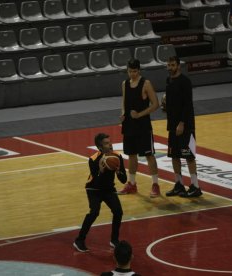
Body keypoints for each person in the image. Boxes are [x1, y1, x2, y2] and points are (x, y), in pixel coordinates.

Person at [73, 133, 127, 252]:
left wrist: (119, 173)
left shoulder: (117, 157)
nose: (110, 145)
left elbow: (124, 180)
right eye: (107, 143)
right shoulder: (93, 159)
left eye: (110, 142)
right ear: (100, 147)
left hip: (108, 189)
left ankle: (114, 240)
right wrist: (101, 171)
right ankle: (79, 240)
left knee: (118, 212)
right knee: (94, 212)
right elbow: (96, 181)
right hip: (93, 189)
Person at [161, 56, 202, 198]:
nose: (170, 67)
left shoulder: (185, 82)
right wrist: (165, 105)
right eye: (168, 65)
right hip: (172, 125)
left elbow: (187, 105)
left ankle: (195, 186)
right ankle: (179, 184)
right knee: (174, 155)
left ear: (178, 66)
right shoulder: (168, 80)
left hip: (186, 126)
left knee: (189, 156)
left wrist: (182, 123)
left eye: (172, 65)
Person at [119, 58, 160, 198]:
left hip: (143, 126)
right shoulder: (124, 84)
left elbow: (155, 104)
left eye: (135, 71)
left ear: (139, 70)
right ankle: (131, 184)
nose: (132, 74)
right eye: (130, 71)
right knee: (131, 155)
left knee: (149, 155)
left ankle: (155, 185)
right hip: (129, 125)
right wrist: (123, 113)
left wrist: (140, 115)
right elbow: (124, 102)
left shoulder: (146, 83)